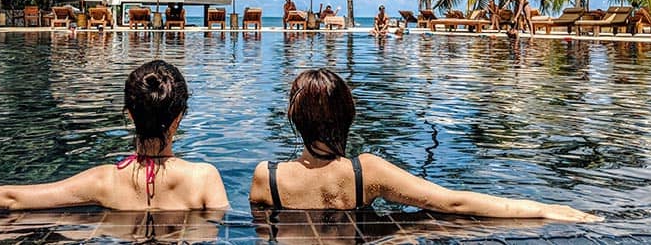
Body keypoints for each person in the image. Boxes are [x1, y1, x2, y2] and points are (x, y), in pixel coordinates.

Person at [0, 60, 229, 223]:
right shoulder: (204, 178)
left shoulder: (103, 180)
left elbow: (10, 196)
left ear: (129, 114)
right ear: (179, 117)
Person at [249, 68, 601, 222]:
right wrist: (540, 209)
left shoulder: (267, 177)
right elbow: (452, 201)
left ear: (295, 119)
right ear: (347, 115)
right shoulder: (364, 171)